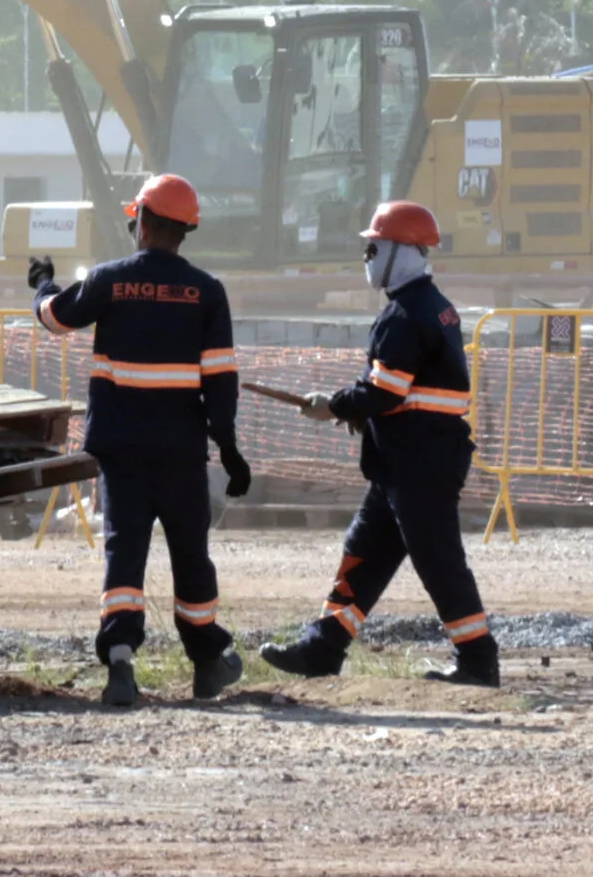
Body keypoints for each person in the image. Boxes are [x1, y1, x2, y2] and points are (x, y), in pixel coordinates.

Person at [30, 172, 250, 707]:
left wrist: (41, 285)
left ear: (143, 222)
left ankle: (122, 663)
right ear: (183, 230)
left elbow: (56, 319)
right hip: (180, 454)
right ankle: (205, 663)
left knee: (124, 553)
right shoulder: (207, 292)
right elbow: (221, 381)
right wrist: (229, 449)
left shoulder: (110, 280)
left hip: (122, 453)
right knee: (191, 556)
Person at [260, 201, 498, 688]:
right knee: (363, 556)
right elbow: (406, 395)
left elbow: (385, 392)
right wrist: (358, 411)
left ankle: (478, 660)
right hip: (406, 462)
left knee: (439, 564)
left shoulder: (406, 313)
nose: (367, 257)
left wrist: (336, 405)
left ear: (401, 251)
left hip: (419, 465)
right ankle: (323, 647)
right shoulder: (432, 307)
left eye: (373, 248)